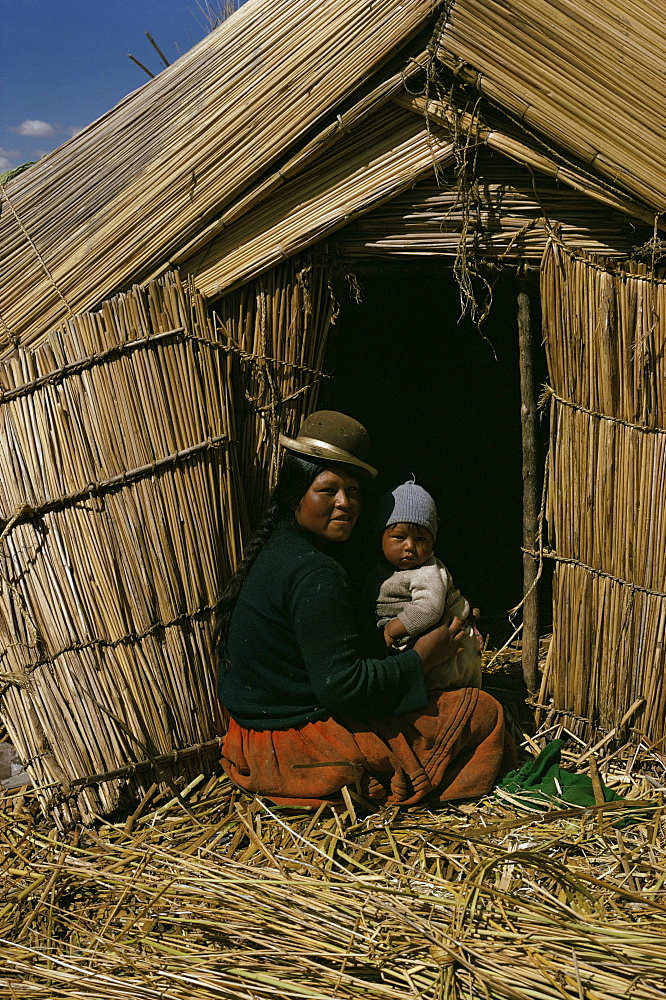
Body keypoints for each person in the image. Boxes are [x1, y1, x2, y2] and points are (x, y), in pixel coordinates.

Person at [217, 410, 515, 808]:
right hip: (296, 747)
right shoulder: (315, 573)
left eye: (354, 491)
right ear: (296, 494)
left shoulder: (282, 549)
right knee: (483, 713)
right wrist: (426, 657)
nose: (344, 504)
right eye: (328, 491)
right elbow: (344, 688)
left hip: (252, 738)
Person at [364, 480, 482, 692]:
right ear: (380, 538)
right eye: (399, 537)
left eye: (420, 539)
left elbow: (429, 609)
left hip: (449, 655)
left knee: (436, 693)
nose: (410, 547)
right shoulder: (379, 570)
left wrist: (391, 631)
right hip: (414, 646)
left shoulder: (427, 571)